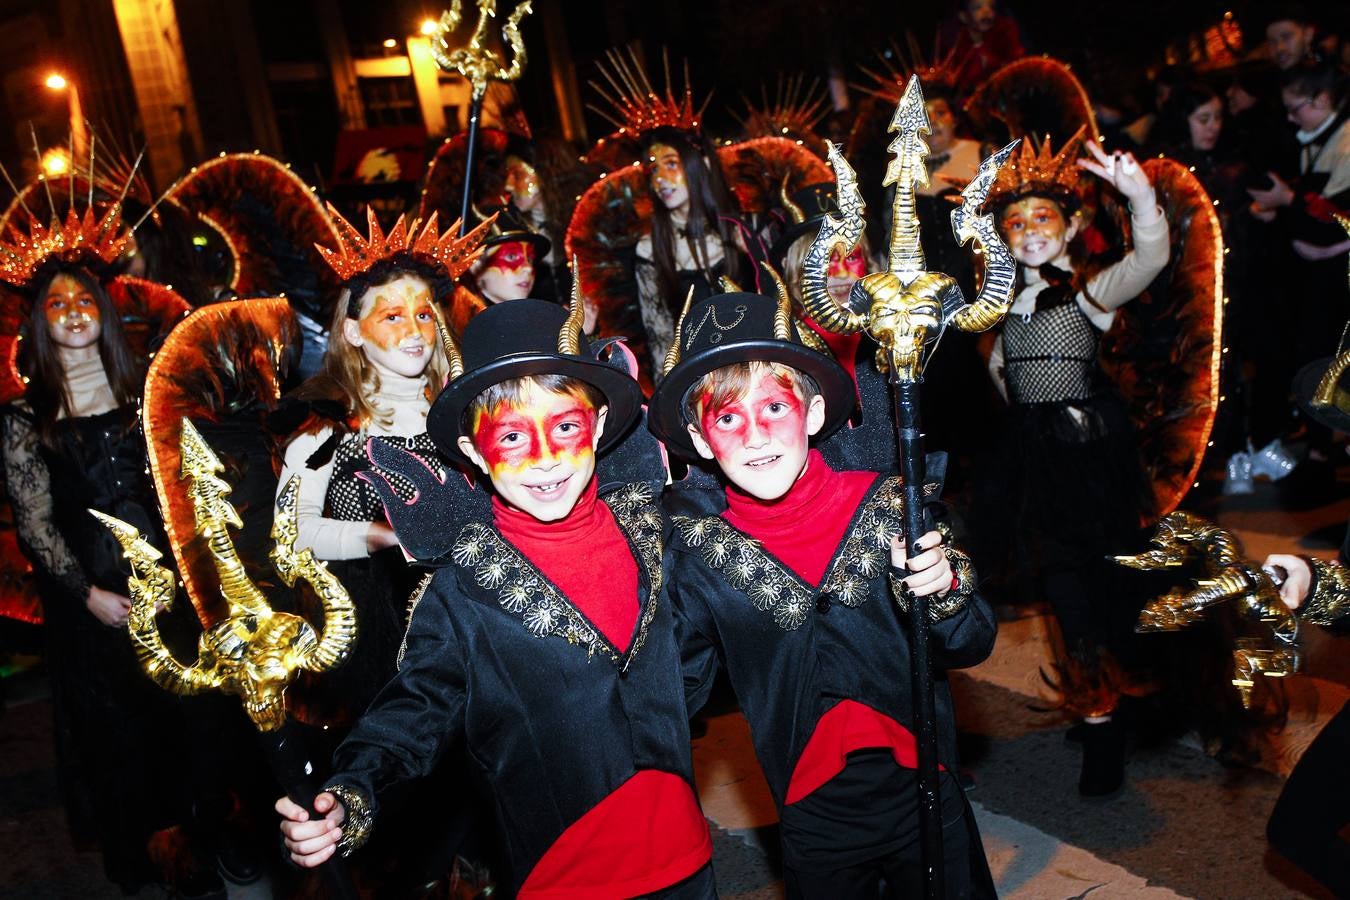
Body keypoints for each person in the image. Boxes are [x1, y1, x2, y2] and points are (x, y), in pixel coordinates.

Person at [277, 299, 716, 898]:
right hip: (562, 874)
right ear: (477, 453)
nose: (545, 459)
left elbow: (714, 635)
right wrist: (351, 794)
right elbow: (415, 710)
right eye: (512, 436)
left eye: (565, 426)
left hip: (684, 857)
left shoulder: (656, 538)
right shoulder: (464, 589)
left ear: (599, 427)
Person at [650, 289, 996, 898]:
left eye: (774, 409)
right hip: (813, 814)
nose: (756, 436)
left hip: (924, 792)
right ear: (702, 442)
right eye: (727, 418)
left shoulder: (890, 505)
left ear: (811, 415)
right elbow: (675, 688)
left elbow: (969, 641)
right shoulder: (698, 556)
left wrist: (942, 590)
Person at [0, 204, 223, 896]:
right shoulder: (23, 422)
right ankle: (138, 866)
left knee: (186, 731)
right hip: (92, 609)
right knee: (117, 742)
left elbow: (187, 487)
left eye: (83, 300)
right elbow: (36, 526)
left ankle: (202, 857)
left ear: (103, 310)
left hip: (171, 598)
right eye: (56, 303)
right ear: (40, 323)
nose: (71, 313)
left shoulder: (146, 399)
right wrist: (87, 595)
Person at [974, 131, 1169, 797]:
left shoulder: (1089, 294)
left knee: (1115, 588)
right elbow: (1004, 378)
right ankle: (1100, 714)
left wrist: (1139, 196)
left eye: (1043, 218)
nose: (1029, 231)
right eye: (1015, 222)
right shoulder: (998, 310)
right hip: (1037, 472)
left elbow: (1150, 259)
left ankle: (1123, 700)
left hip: (1096, 468)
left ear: (1073, 224)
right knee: (1065, 598)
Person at [635, 126, 763, 370]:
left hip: (759, 366)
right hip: (699, 380)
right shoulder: (650, 250)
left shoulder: (742, 228)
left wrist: (754, 253)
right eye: (653, 169)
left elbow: (780, 305)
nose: (659, 178)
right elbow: (660, 340)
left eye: (671, 164)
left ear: (701, 164)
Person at [449, 204, 552, 336]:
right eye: (511, 256)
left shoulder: (542, 323)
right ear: (474, 264)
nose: (527, 268)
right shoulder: (459, 332)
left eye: (530, 259)